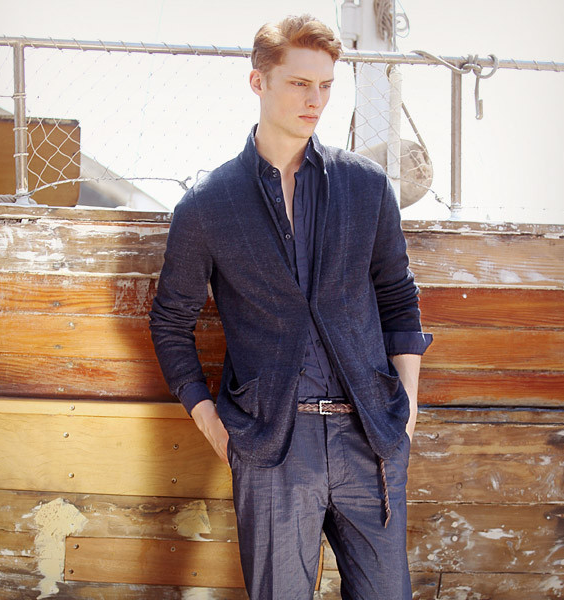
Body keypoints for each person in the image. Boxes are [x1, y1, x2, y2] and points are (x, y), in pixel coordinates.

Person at [149, 14, 432, 600]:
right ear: (258, 81)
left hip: (370, 435)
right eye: (300, 84)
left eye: (325, 85)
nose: (315, 100)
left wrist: (406, 406)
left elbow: (398, 297)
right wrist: (212, 424)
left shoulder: (366, 186)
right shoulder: (208, 204)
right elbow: (171, 322)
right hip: (272, 446)